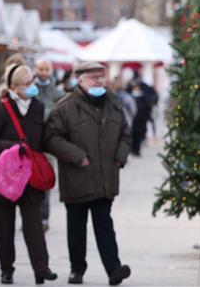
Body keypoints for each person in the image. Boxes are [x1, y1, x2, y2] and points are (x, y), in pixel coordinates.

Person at [45, 61, 132, 286]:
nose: (99, 81)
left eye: (101, 77)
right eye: (94, 77)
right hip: (77, 177)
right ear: (80, 80)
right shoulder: (65, 107)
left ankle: (114, 268)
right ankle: (77, 269)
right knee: (76, 227)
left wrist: (120, 157)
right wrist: (76, 156)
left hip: (105, 178)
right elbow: (51, 138)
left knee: (104, 224)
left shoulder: (114, 103)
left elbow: (125, 133)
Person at [0, 63, 57, 285]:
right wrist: (12, 147)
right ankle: (7, 270)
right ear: (14, 87)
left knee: (34, 224)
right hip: (3, 178)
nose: (32, 87)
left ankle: (41, 269)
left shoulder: (38, 107)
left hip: (29, 177)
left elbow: (42, 139)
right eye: (27, 84)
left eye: (32, 81)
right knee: (4, 227)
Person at [34, 58, 66, 232]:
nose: (44, 72)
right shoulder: (30, 89)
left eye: (46, 69)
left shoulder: (57, 93)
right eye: (41, 69)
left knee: (44, 181)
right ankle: (30, 217)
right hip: (30, 143)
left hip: (48, 145)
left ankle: (44, 217)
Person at [128, 79, 152, 156]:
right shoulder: (129, 96)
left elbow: (148, 108)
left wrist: (146, 117)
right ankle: (132, 149)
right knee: (132, 135)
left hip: (141, 120)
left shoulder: (143, 96)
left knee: (139, 136)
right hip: (133, 120)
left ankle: (137, 150)